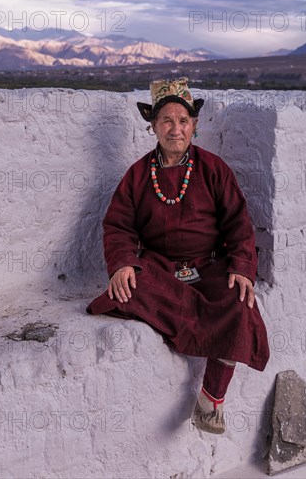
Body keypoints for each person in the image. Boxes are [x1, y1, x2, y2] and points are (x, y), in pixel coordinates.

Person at [86, 77, 269, 434]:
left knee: (240, 303)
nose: (175, 129)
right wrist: (123, 262)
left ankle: (211, 399)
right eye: (166, 121)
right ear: (153, 126)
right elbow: (119, 226)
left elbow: (239, 224)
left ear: (194, 125)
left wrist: (243, 267)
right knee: (130, 287)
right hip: (162, 268)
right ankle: (189, 314)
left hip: (210, 265)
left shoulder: (214, 169)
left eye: (183, 121)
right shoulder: (138, 175)